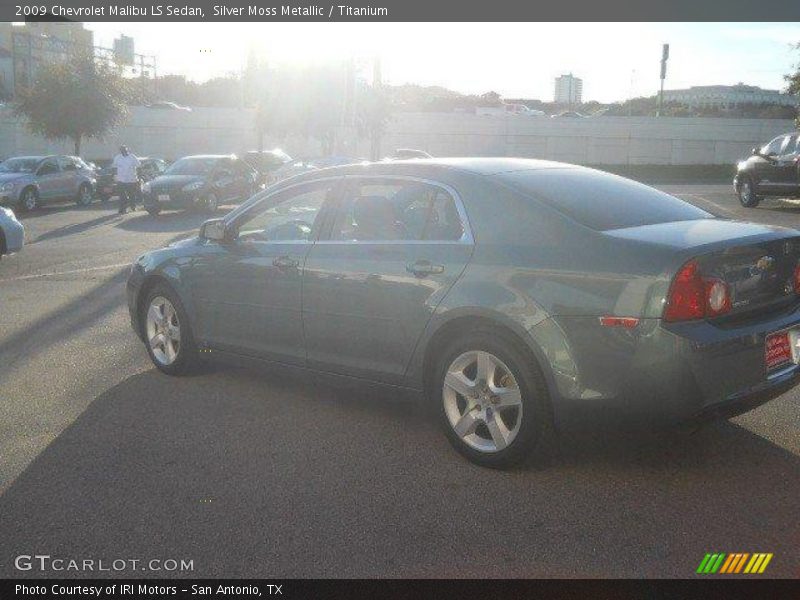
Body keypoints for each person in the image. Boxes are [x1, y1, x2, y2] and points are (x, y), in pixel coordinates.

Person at [112, 145, 141, 214]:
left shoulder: (132, 157)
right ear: (120, 151)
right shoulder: (117, 157)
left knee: (131, 195)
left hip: (131, 179)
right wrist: (115, 177)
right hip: (121, 180)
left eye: (125, 150)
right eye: (122, 150)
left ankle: (133, 207)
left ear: (127, 150)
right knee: (122, 195)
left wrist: (138, 177)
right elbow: (114, 167)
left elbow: (139, 165)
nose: (124, 152)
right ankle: (122, 209)